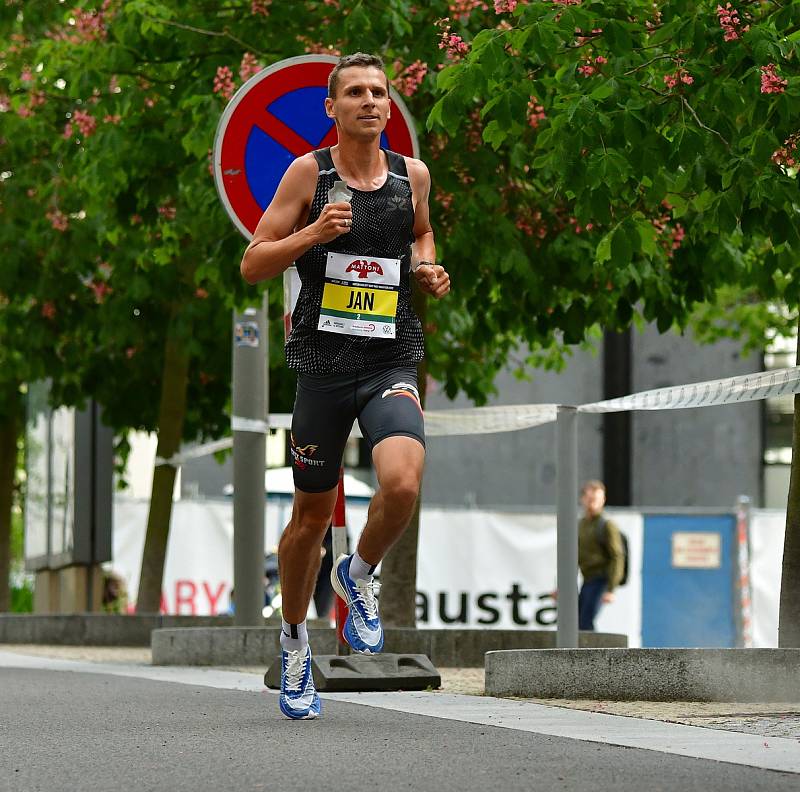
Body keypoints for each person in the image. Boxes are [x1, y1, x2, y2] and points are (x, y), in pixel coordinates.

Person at [240, 52, 450, 720]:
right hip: (323, 370)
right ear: (331, 109)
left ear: (390, 106)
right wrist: (312, 233)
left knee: (404, 481)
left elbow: (421, 232)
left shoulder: (412, 176)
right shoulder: (311, 173)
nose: (369, 101)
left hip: (390, 357)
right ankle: (296, 640)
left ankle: (357, 574)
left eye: (379, 92)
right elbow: (252, 262)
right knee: (308, 521)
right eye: (354, 92)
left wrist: (428, 268)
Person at [578, 480, 625, 631]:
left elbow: (617, 556)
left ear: (603, 500)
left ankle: (589, 654)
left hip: (601, 579)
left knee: (586, 622)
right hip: (587, 578)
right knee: (578, 620)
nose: (593, 503)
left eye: (596, 499)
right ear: (583, 499)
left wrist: (611, 588)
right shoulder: (581, 525)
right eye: (590, 499)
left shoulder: (606, 525)